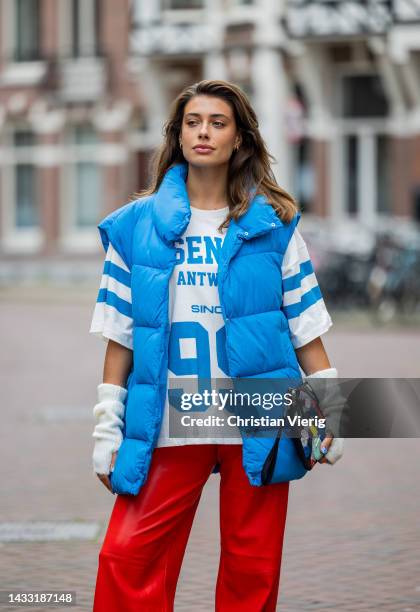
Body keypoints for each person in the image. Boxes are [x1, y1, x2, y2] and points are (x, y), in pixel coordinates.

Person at [89, 79, 344, 611]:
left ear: (240, 140)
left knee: (253, 568)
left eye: (218, 122)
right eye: (193, 122)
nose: (203, 131)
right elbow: (121, 336)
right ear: (178, 136)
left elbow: (305, 330)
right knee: (127, 558)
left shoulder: (274, 227)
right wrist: (107, 425)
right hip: (167, 415)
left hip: (261, 412)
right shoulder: (136, 226)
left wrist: (328, 415)